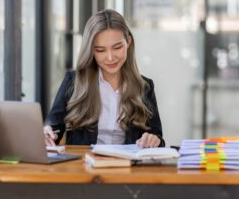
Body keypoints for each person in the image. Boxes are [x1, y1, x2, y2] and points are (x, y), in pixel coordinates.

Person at [44, 9, 164, 148]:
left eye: (117, 47)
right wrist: (48, 133)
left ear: (128, 42)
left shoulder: (144, 87)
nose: (110, 57)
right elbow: (53, 126)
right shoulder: (73, 82)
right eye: (100, 50)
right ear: (90, 50)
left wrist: (154, 140)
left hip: (129, 167)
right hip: (83, 166)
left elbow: (158, 138)